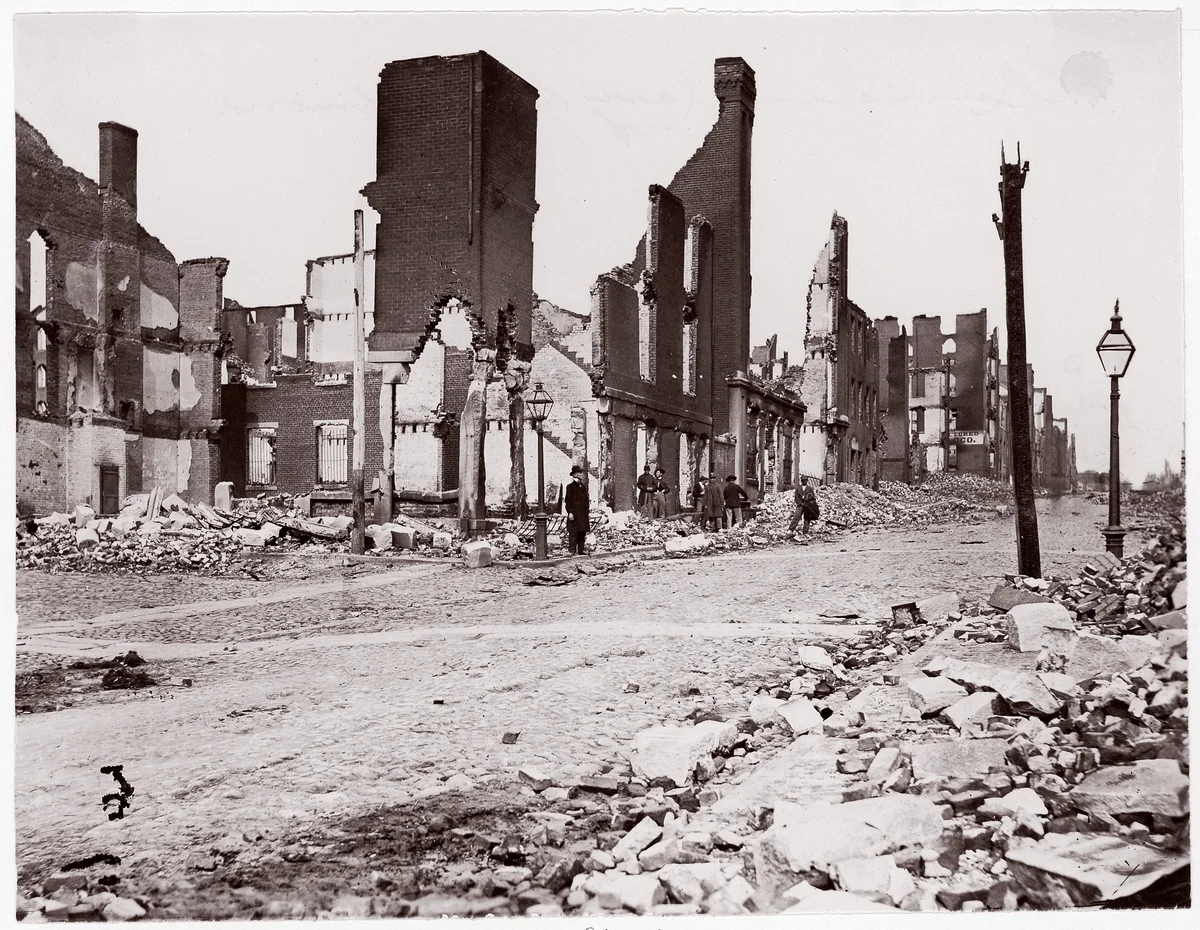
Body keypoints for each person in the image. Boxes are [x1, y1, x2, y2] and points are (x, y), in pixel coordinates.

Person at [564, 465, 590, 555]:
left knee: (582, 532)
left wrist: (587, 511)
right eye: (580, 473)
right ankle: (572, 550)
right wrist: (570, 512)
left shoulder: (583, 487)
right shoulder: (570, 487)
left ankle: (581, 550)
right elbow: (568, 501)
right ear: (575, 475)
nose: (582, 474)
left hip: (582, 514)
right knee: (573, 533)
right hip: (575, 513)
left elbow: (586, 501)